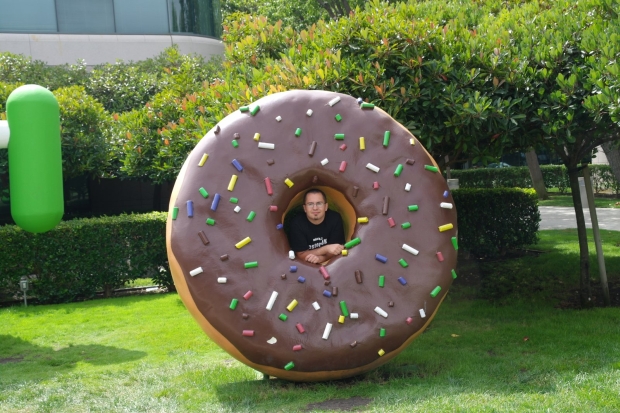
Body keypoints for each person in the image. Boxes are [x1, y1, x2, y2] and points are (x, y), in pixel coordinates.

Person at [287, 188, 345, 264]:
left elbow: (336, 249)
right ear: (305, 208)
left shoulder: (335, 218)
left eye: (319, 203)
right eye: (310, 204)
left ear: (326, 206)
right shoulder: (297, 223)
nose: (315, 208)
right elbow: (301, 255)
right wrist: (325, 249)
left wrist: (321, 259)